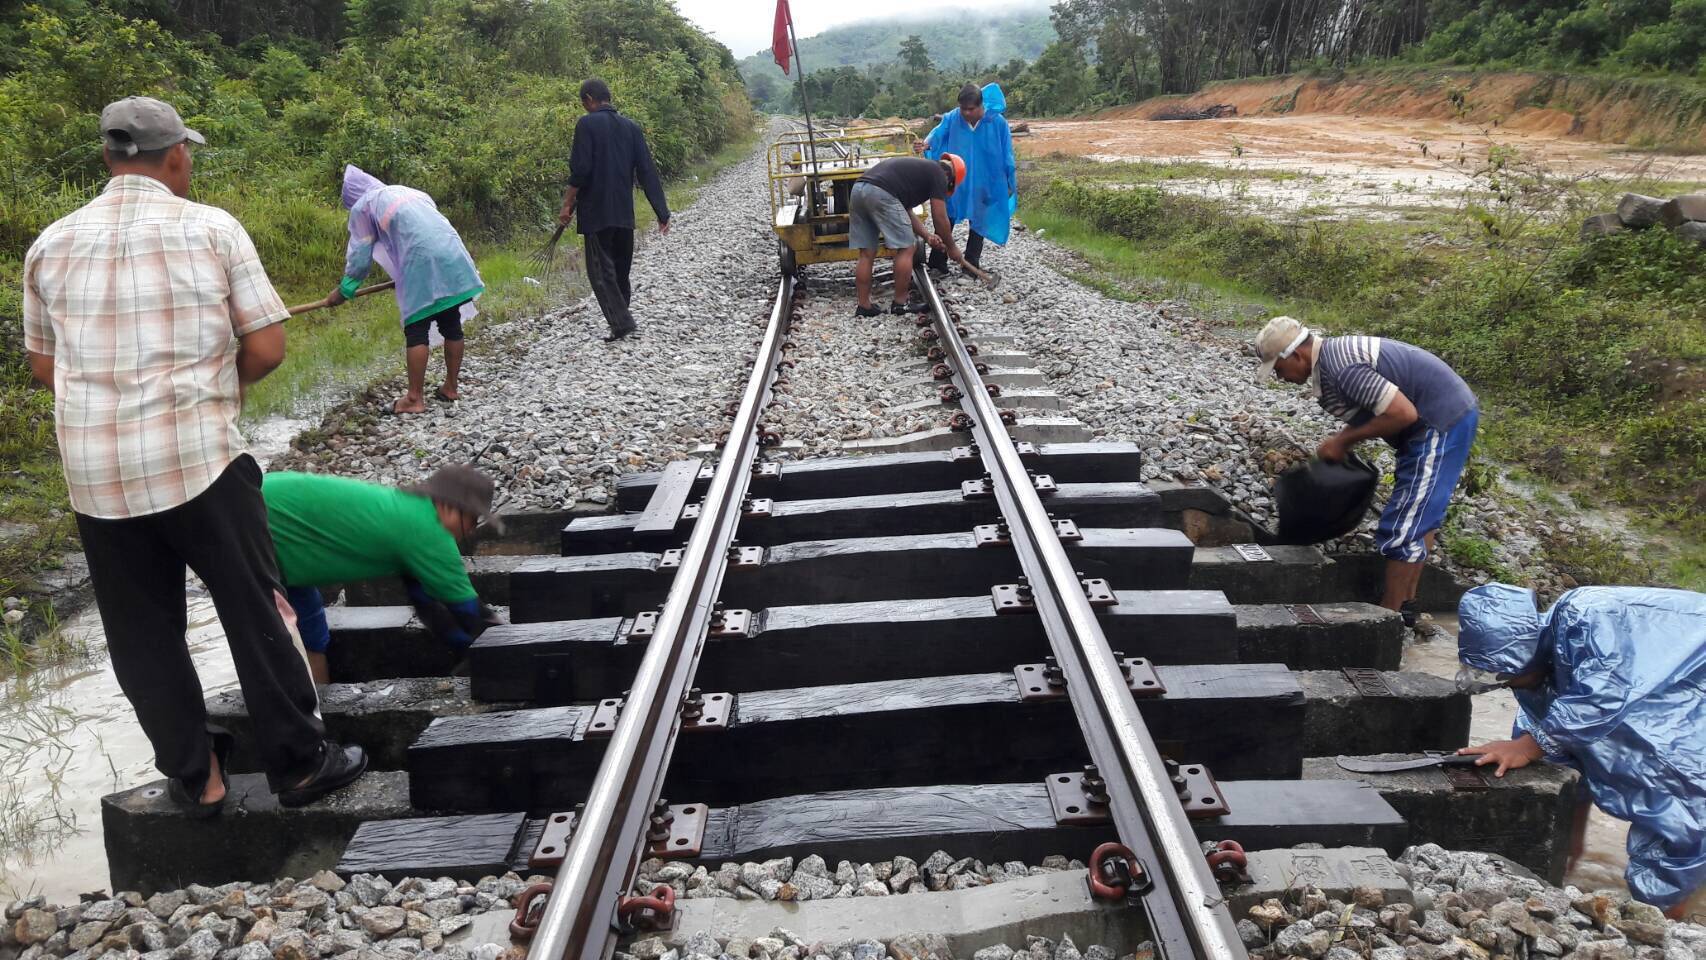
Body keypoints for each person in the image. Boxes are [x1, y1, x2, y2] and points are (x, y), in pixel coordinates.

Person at [21, 96, 366, 816]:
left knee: (142, 634)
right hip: (199, 458)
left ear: (110, 159)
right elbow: (268, 346)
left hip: (97, 476)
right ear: (175, 154)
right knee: (256, 609)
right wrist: (210, 389)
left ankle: (197, 779)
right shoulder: (210, 228)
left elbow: (45, 366)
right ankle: (300, 767)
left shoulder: (49, 244)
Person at [1453, 583, 1706, 916]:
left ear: (1527, 651)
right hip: (1655, 676)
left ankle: (1667, 922)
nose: (1508, 685)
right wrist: (1570, 842)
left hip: (1688, 674)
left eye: (1507, 677)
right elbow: (1565, 750)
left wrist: (1527, 747)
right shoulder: (1546, 678)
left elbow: (1602, 699)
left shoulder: (1584, 619)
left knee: (1675, 787)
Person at [1255, 316, 1478, 625]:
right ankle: (1406, 608)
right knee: (1421, 516)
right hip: (1437, 420)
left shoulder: (1341, 367)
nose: (1279, 377)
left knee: (1402, 527)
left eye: (1278, 369)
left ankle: (1387, 618)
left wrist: (1343, 439)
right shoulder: (1331, 362)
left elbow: (1402, 413)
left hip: (1440, 421)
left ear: (1296, 355)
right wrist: (1342, 443)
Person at [264, 466, 507, 684]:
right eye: (472, 519)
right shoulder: (427, 532)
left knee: (310, 633)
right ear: (449, 507)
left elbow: (427, 606)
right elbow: (471, 612)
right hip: (254, 516)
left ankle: (320, 720)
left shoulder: (409, 511)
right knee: (267, 639)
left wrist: (467, 650)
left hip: (279, 520)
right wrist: (509, 645)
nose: (472, 530)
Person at [329, 165, 484, 415]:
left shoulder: (363, 206)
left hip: (421, 261)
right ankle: (451, 387)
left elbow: (360, 254)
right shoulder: (408, 191)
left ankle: (414, 399)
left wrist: (345, 290)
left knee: (416, 328)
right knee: (451, 322)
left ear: (353, 197)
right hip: (452, 254)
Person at [557, 77, 670, 342]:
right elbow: (647, 172)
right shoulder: (632, 127)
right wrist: (661, 211)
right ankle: (622, 319)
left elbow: (581, 170)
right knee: (620, 269)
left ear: (588, 99)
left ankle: (622, 322)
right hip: (623, 212)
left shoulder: (586, 124)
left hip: (596, 213)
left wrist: (567, 204)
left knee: (601, 272)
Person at [849, 154, 974, 318]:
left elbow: (904, 211)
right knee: (908, 247)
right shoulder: (939, 174)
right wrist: (952, 248)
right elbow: (940, 217)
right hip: (880, 193)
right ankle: (901, 303)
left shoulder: (918, 171)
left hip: (859, 189)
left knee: (866, 252)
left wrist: (927, 236)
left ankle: (864, 305)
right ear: (950, 178)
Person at [923, 82, 1017, 276]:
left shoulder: (998, 123)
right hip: (957, 179)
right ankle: (937, 262)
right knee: (946, 218)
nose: (965, 113)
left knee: (980, 221)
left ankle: (971, 265)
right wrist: (926, 144)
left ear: (981, 105)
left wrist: (1009, 181)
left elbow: (1007, 153)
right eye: (962, 108)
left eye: (970, 109)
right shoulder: (952, 118)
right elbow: (937, 135)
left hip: (986, 179)